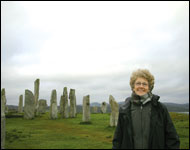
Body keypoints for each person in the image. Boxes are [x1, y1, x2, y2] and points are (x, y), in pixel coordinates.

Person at [112, 69, 180, 149]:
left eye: (144, 84)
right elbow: (118, 139)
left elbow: (172, 138)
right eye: (138, 83)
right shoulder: (125, 109)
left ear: (149, 88)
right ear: (133, 87)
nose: (141, 86)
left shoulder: (160, 109)